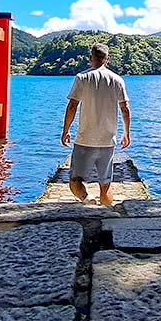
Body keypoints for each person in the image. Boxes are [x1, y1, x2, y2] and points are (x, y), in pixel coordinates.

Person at [60, 43, 131, 205]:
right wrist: (127, 133)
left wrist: (65, 131)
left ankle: (88, 200)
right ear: (107, 59)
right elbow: (125, 109)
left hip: (85, 139)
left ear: (90, 58)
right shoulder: (117, 80)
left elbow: (72, 106)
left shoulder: (82, 78)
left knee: (75, 182)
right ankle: (106, 214)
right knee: (105, 185)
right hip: (107, 141)